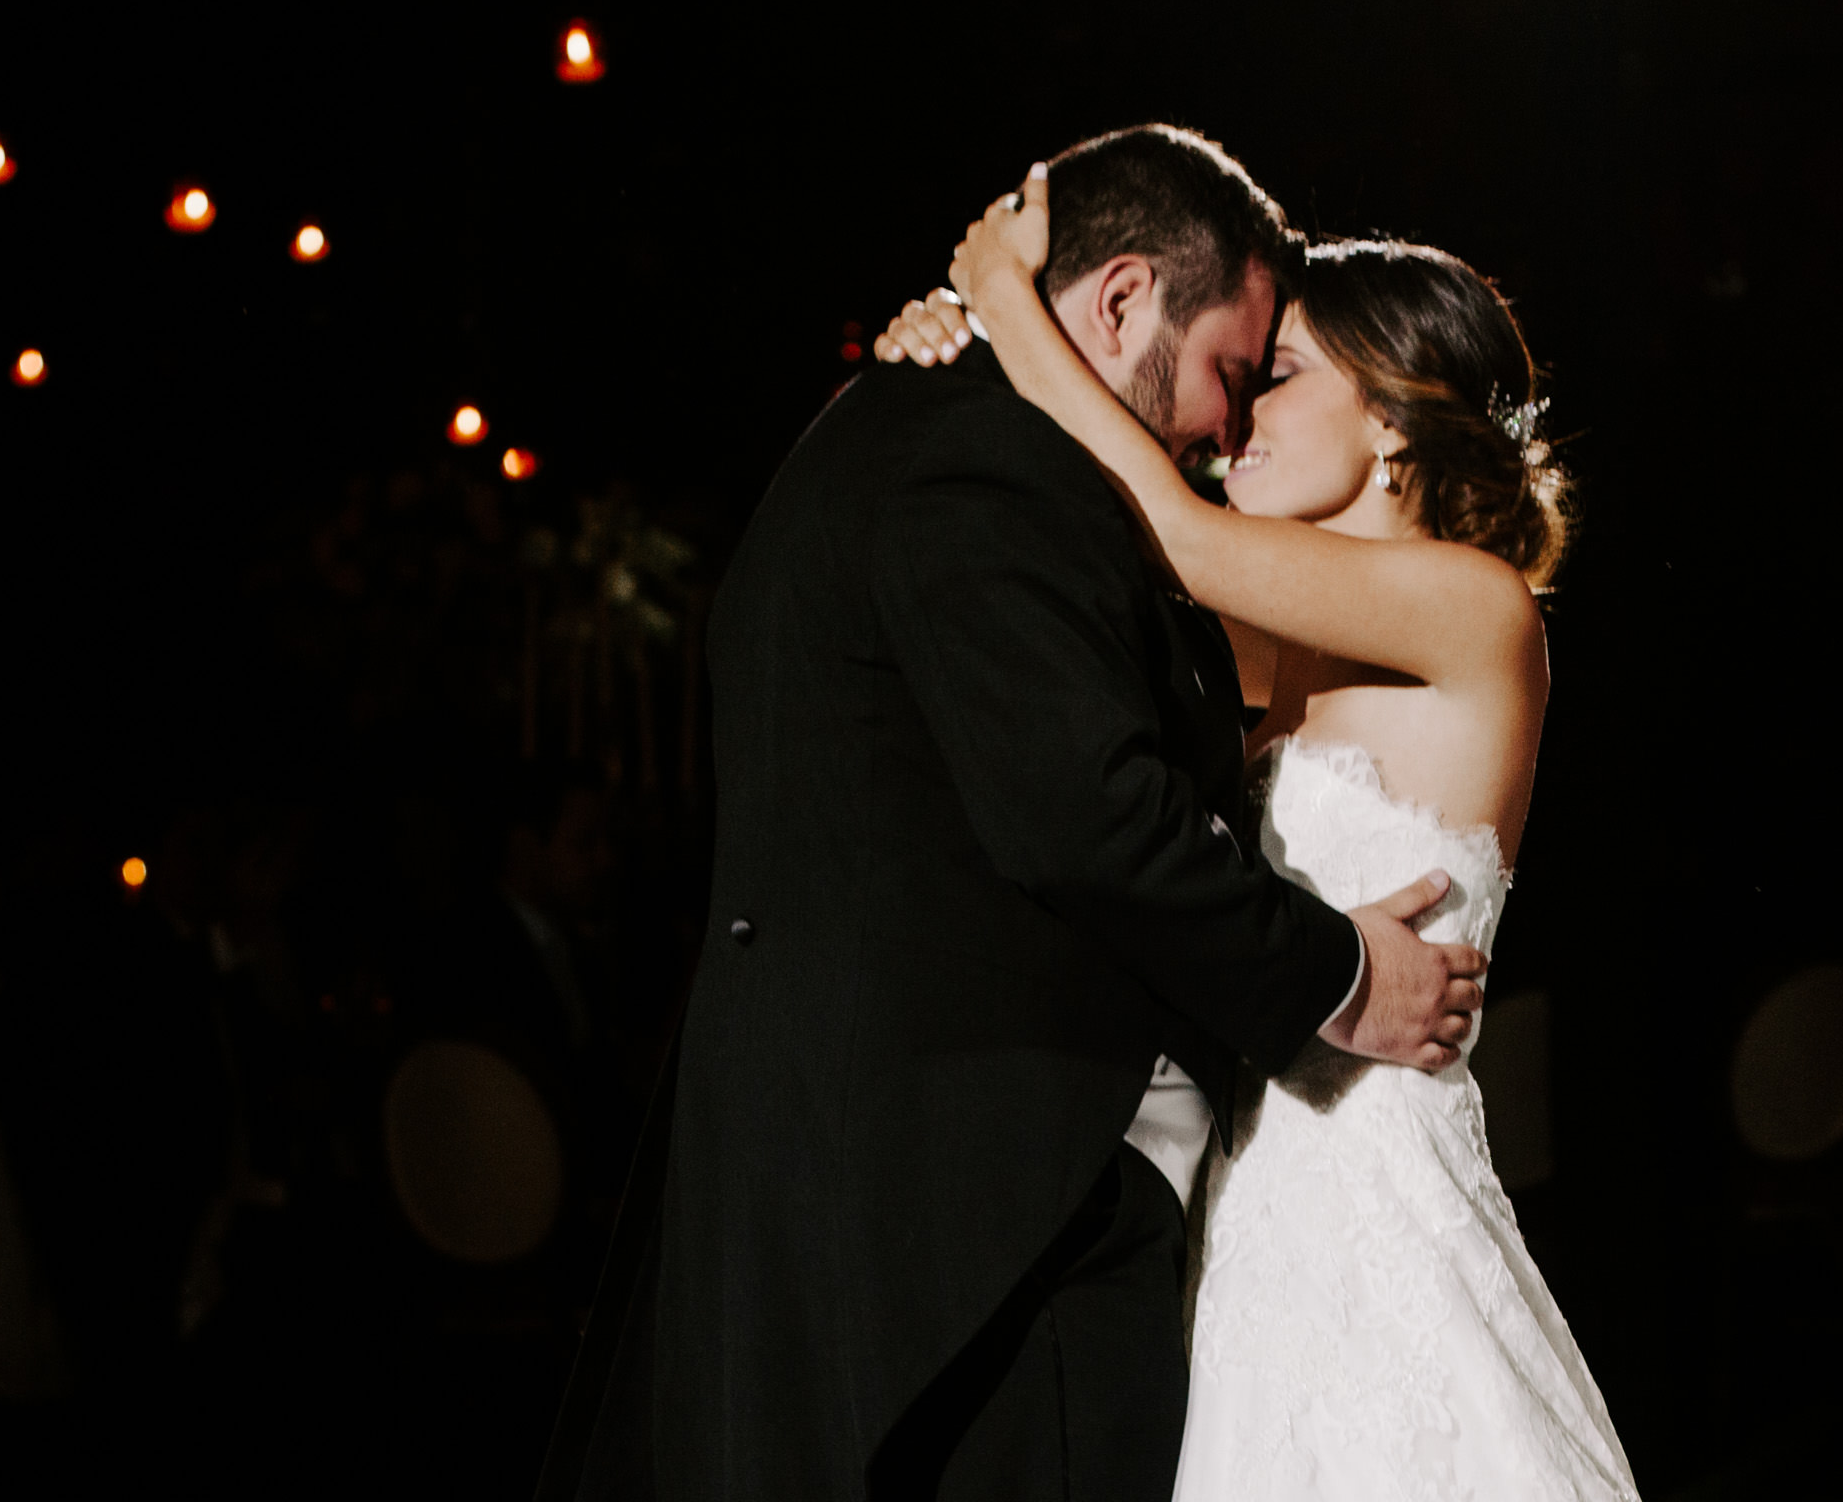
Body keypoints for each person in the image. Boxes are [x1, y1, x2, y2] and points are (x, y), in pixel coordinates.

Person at [554, 125, 1486, 1502]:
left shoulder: (960, 441)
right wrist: (1342, 975)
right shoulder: (982, 459)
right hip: (994, 1219)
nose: (1231, 429)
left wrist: (1005, 321)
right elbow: (1090, 820)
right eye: (1241, 372)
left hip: (1044, 1212)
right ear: (1118, 302)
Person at [871, 165, 1640, 1499]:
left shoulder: (1476, 611)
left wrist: (1003, 295)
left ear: (1398, 415)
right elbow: (1091, 567)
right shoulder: (1274, 646)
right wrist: (945, 369)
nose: (1229, 415)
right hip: (1243, 1218)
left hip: (1377, 1210)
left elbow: (1162, 529)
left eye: (1271, 375)